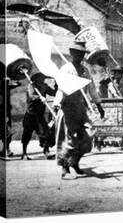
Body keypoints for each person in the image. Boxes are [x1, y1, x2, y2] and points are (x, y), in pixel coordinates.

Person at [55, 41, 105, 180]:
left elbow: (92, 89)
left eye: (82, 53)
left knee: (88, 136)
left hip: (80, 108)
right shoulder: (66, 69)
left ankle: (74, 162)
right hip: (67, 106)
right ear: (71, 53)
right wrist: (58, 103)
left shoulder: (85, 71)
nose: (79, 56)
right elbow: (61, 87)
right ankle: (65, 169)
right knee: (68, 139)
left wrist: (99, 105)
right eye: (77, 53)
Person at [20, 73, 57, 160]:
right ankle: (24, 154)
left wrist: (56, 84)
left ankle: (46, 152)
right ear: (36, 79)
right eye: (41, 78)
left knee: (46, 133)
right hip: (31, 114)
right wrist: (40, 98)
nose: (43, 79)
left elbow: (53, 93)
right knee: (27, 134)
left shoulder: (44, 86)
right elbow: (31, 96)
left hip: (40, 114)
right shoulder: (31, 85)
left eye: (44, 78)